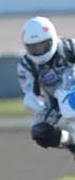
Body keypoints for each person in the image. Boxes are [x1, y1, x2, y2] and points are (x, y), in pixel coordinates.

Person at [17, 16, 75, 154]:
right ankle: (71, 142)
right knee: (39, 131)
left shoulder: (69, 47)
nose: (39, 51)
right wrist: (36, 103)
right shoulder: (26, 65)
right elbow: (30, 92)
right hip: (54, 102)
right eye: (33, 47)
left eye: (43, 45)